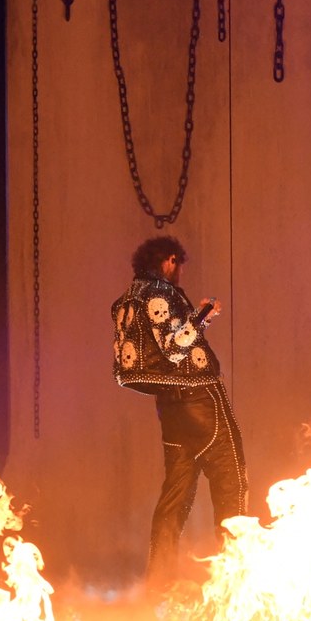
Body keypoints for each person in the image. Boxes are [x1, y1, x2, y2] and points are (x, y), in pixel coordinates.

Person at [111, 236, 248, 593]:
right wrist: (204, 314)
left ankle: (158, 584)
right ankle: (235, 584)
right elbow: (174, 348)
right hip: (200, 401)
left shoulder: (127, 299)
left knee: (175, 496)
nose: (180, 273)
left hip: (170, 409)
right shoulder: (159, 293)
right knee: (230, 482)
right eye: (179, 265)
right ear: (170, 260)